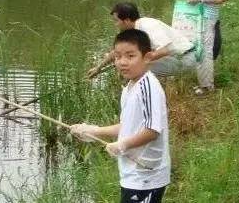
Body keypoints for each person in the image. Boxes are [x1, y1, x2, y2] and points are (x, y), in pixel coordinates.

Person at [71, 29, 170, 203]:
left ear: (147, 57)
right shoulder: (131, 86)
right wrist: (94, 131)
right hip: (133, 173)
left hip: (147, 174)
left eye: (130, 56)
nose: (122, 62)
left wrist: (123, 144)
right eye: (117, 57)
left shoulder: (148, 87)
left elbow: (152, 130)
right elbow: (129, 125)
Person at [87, 2, 196, 79]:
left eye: (116, 21)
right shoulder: (132, 31)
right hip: (171, 58)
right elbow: (116, 52)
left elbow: (164, 51)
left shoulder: (149, 26)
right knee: (129, 65)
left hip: (185, 59)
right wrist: (98, 68)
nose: (115, 24)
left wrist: (139, 60)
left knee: (135, 68)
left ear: (127, 21)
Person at [188, 0, 225, 95]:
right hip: (203, 17)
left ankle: (208, 86)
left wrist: (200, 0)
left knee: (206, 52)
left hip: (209, 18)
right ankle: (203, 83)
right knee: (201, 50)